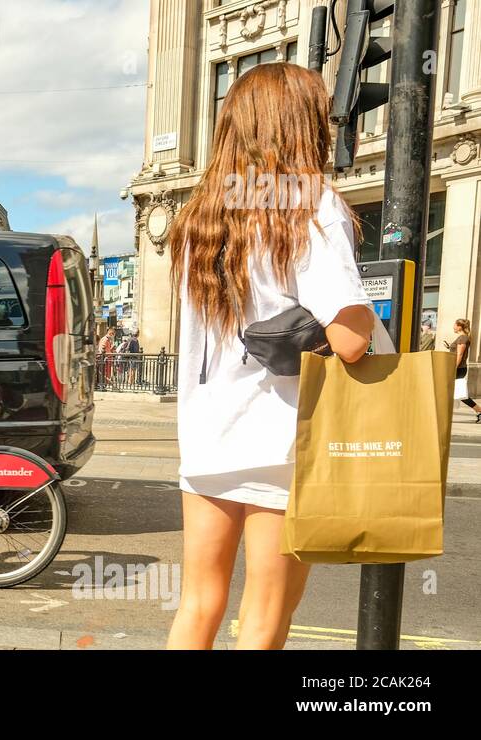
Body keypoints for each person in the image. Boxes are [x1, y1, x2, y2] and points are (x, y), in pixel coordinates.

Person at [166, 63, 375, 650]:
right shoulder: (311, 207)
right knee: (262, 620)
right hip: (280, 438)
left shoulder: (200, 217)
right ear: (298, 125)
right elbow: (352, 340)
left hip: (208, 434)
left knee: (199, 605)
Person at [447, 319, 478, 422]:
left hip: (458, 369)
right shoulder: (462, 338)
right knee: (455, 393)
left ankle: (479, 410)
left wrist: (453, 368)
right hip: (460, 368)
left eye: (455, 325)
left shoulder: (462, 338)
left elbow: (460, 354)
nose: (453, 327)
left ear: (459, 327)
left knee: (458, 393)